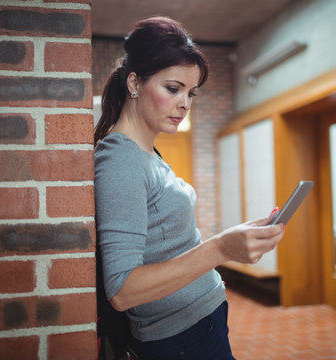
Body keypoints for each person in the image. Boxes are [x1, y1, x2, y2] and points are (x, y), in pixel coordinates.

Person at [93, 16, 285, 360]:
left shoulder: (146, 152)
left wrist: (217, 257)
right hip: (180, 340)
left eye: (191, 92)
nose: (185, 103)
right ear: (135, 83)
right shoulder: (121, 161)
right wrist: (221, 249)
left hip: (200, 323)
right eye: (173, 88)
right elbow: (122, 291)